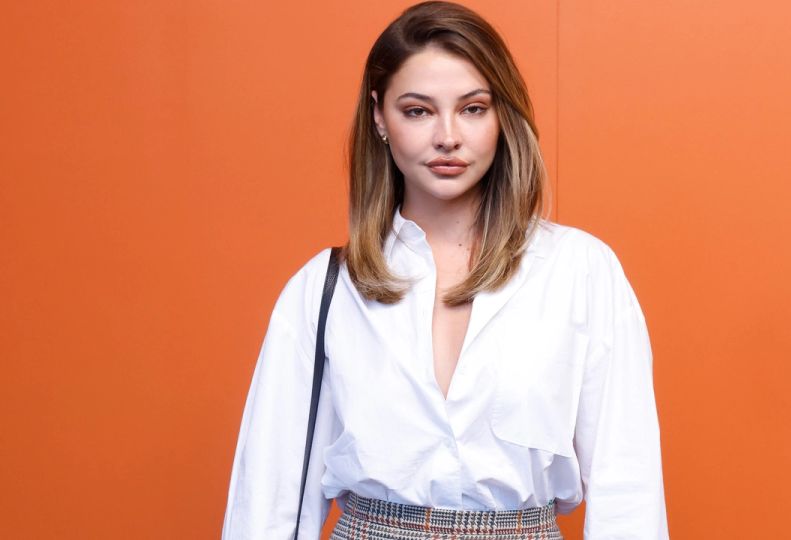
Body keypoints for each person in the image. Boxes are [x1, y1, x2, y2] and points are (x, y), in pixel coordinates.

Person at [221, 1, 669, 538]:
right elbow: (269, 500)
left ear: (503, 115)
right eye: (418, 110)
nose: (448, 136)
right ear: (379, 117)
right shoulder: (324, 289)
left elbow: (628, 491)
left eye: (473, 108)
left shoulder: (581, 272)